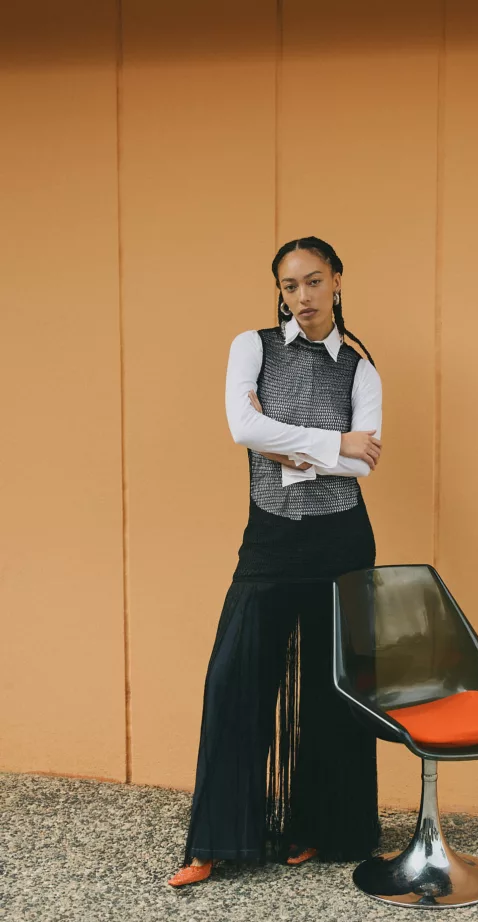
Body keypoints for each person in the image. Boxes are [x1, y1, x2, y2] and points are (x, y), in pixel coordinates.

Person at [168, 236, 383, 886]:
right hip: (270, 539)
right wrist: (326, 441)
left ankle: (323, 829)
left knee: (336, 690)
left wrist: (285, 443)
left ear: (337, 281)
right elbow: (242, 426)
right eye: (291, 286)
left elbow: (363, 461)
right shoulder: (251, 347)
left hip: (342, 538)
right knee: (234, 679)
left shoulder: (361, 369)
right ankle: (214, 842)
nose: (303, 296)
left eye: (314, 281)